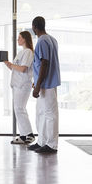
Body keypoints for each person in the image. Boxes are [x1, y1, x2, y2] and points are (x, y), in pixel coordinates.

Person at [28, 16, 61, 154]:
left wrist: (37, 85)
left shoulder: (41, 41)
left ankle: (51, 145)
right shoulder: (52, 39)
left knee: (50, 114)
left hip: (46, 83)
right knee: (41, 113)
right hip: (47, 82)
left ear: (35, 27)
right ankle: (42, 141)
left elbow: (44, 63)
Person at [2, 31, 35, 144]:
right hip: (17, 85)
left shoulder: (28, 52)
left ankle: (28, 134)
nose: (17, 39)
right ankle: (24, 135)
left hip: (23, 85)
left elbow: (23, 69)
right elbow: (16, 68)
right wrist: (7, 63)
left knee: (20, 109)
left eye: (19, 38)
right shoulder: (21, 52)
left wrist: (11, 65)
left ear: (25, 39)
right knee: (19, 109)